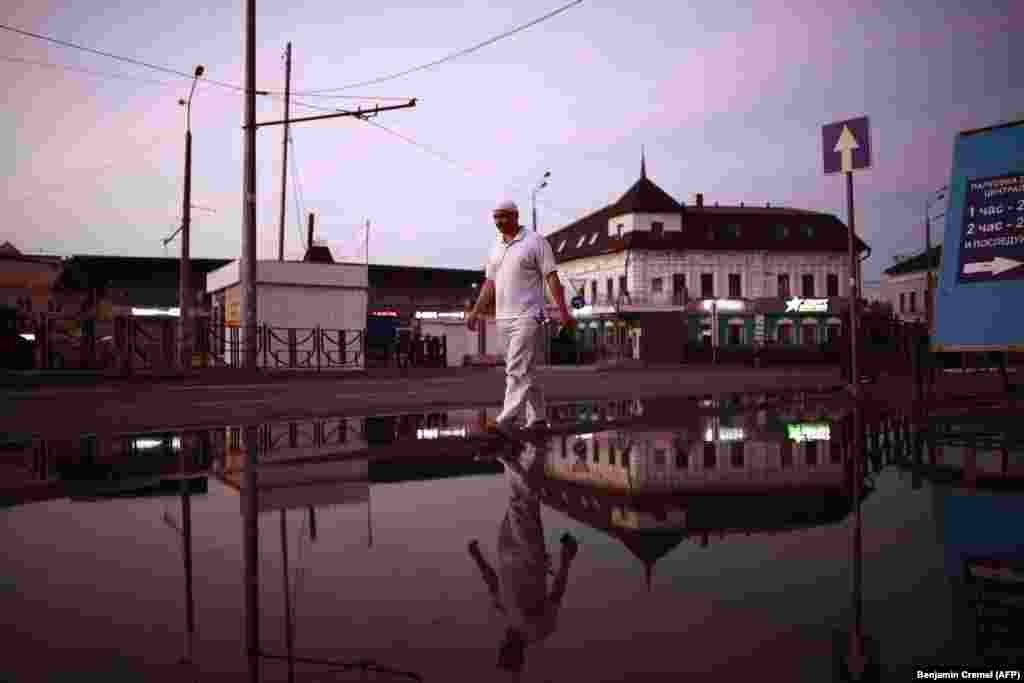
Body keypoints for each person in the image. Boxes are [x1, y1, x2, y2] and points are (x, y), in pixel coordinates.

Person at [467, 439, 580, 674]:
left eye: (502, 647)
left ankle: (516, 454)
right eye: (505, 649)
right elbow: (556, 594)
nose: (503, 643)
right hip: (529, 554)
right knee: (524, 503)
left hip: (506, 548)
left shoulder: (508, 619)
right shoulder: (538, 630)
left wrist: (477, 557)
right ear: (516, 652)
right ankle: (510, 455)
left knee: (516, 503)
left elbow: (493, 584)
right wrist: (567, 558)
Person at [467, 200, 575, 435]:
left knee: (516, 369)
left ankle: (505, 420)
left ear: (516, 216)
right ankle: (538, 418)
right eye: (495, 217)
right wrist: (476, 311)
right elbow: (489, 283)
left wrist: (563, 310)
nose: (498, 222)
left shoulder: (536, 241)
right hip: (503, 317)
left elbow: (552, 277)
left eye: (503, 217)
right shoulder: (495, 247)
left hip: (528, 315)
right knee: (524, 370)